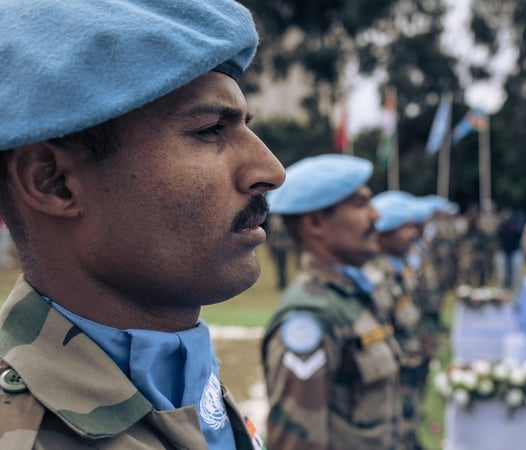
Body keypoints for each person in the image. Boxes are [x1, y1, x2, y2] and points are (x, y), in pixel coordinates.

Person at [0, 1, 285, 448]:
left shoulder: (175, 378)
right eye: (211, 128)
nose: (271, 170)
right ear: (54, 183)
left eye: (245, 126)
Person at [261, 154, 402, 450]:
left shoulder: (349, 295)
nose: (377, 217)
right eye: (361, 204)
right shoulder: (310, 318)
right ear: (314, 223)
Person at [363, 191, 426, 450]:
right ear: (383, 235)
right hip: (392, 381)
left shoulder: (399, 267)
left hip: (408, 372)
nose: (413, 233)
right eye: (404, 228)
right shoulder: (375, 277)